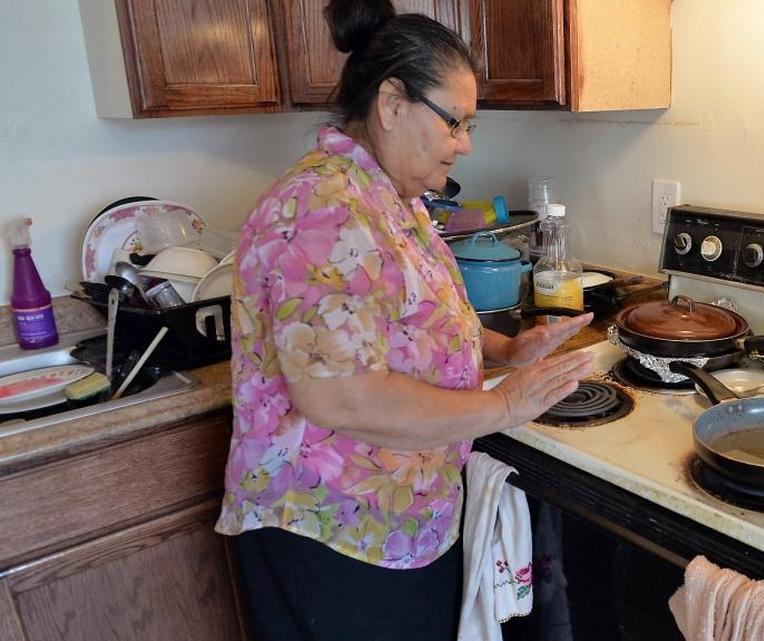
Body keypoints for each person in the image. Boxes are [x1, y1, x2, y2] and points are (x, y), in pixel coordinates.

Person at [214, 1, 594, 639]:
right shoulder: (321, 206)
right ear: (392, 103)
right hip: (333, 531)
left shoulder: (393, 196)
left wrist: (508, 349)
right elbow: (339, 394)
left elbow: (414, 319)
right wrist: (502, 409)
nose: (466, 142)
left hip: (397, 520)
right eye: (456, 121)